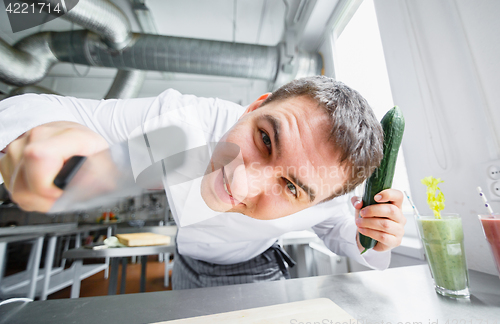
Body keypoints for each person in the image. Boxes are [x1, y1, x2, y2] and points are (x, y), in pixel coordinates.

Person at [0, 76, 406, 289]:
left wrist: (377, 236)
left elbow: (353, 243)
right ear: (255, 106)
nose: (242, 181)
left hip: (254, 267)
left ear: (316, 200)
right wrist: (48, 132)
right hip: (187, 256)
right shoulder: (180, 127)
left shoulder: (328, 198)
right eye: (265, 139)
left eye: (291, 187)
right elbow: (42, 108)